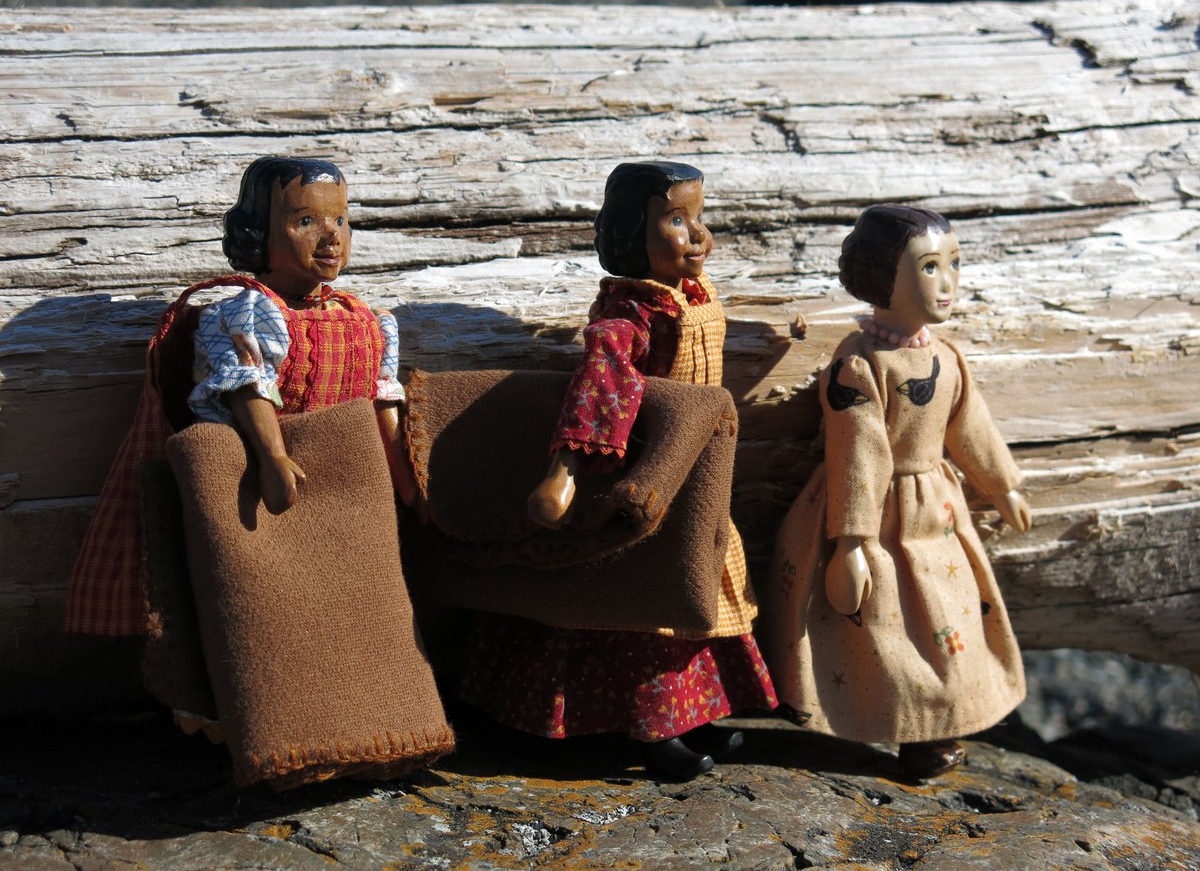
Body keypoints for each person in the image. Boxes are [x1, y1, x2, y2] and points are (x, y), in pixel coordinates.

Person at [455, 161, 777, 780]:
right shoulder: (628, 317)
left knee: (701, 590)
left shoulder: (689, 294)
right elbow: (601, 385)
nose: (696, 234)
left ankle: (693, 714)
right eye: (676, 221)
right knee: (645, 598)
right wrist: (567, 468)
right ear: (633, 234)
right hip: (643, 467)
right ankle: (653, 728)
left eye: (698, 217)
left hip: (697, 471)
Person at [65, 156, 412, 636]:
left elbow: (382, 400)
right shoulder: (247, 312)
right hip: (264, 481)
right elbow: (248, 385)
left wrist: (405, 479)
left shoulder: (369, 320)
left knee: (365, 602)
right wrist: (273, 456)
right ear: (257, 233)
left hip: (355, 487)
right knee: (266, 605)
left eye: (340, 219)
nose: (331, 237)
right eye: (305, 221)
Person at [761, 204, 1032, 779]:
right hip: (870, 510)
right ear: (883, 276)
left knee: (948, 616)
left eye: (954, 264)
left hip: (935, 508)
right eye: (930, 267)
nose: (948, 281)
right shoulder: (860, 363)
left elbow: (970, 427)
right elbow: (857, 450)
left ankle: (940, 724)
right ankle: (900, 728)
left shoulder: (946, 358)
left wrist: (1003, 485)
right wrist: (851, 542)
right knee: (881, 627)